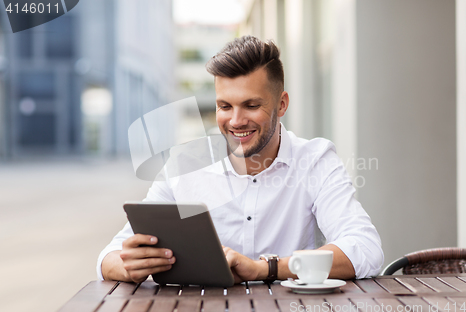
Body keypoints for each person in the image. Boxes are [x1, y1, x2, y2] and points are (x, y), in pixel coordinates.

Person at [97, 35, 384, 284]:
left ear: (281, 104)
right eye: (225, 106)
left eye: (251, 105)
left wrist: (266, 268)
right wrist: (128, 265)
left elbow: (364, 248)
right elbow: (109, 257)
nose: (236, 121)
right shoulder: (185, 162)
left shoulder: (315, 160)